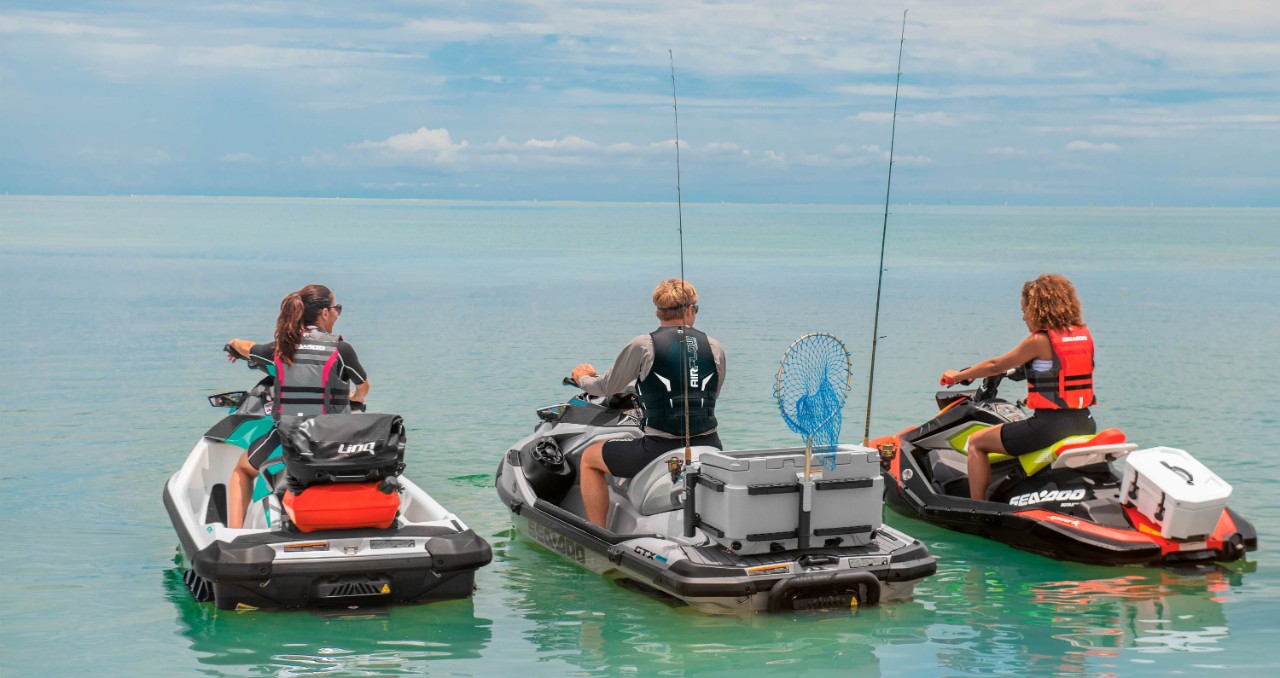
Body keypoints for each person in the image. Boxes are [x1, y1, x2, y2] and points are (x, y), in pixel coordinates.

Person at [570, 278, 727, 528]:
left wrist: (582, 378)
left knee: (589, 458)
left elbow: (606, 387)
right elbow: (711, 394)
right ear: (689, 310)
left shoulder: (643, 345)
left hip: (658, 449)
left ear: (658, 312)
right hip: (710, 445)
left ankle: (598, 532)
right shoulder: (714, 346)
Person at [223, 284, 370, 528]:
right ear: (324, 313)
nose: (337, 313)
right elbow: (364, 386)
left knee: (243, 469)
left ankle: (233, 535)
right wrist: (357, 398)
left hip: (291, 438)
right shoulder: (341, 350)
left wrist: (232, 346)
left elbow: (244, 346)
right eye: (337, 308)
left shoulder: (280, 348)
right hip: (333, 440)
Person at [940, 273, 1096, 501]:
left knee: (977, 442)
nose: (1023, 317)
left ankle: (977, 507)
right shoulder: (1084, 335)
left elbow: (996, 365)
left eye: (1024, 310)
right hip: (1085, 422)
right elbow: (1060, 369)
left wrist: (959, 375)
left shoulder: (1040, 340)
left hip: (1049, 425)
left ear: (1038, 308)